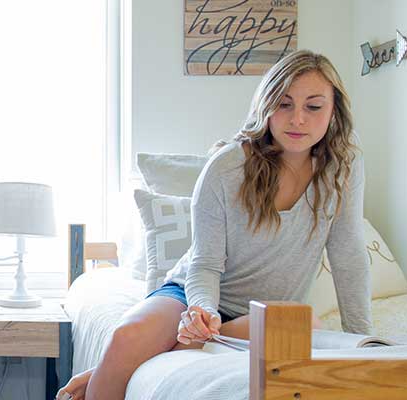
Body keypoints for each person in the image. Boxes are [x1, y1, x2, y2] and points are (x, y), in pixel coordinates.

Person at [57, 50, 371, 400]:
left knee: (304, 324)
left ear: (333, 110)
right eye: (284, 104)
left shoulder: (344, 166)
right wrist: (202, 314)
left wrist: (365, 342)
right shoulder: (227, 166)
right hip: (193, 295)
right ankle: (129, 358)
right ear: (266, 105)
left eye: (313, 107)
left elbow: (348, 255)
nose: (298, 119)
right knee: (125, 338)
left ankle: (127, 363)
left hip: (268, 311)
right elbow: (205, 263)